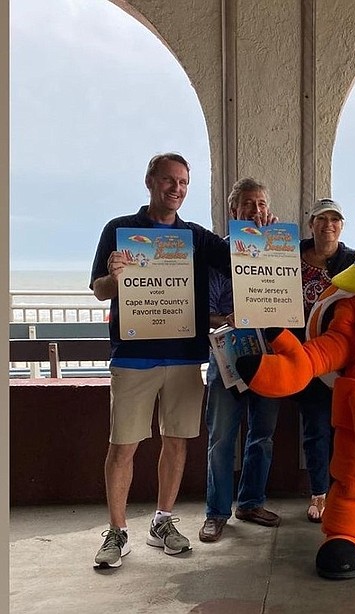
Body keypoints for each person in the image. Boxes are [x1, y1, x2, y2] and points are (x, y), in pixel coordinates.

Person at [91, 153, 231, 569]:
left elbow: (243, 263)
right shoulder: (119, 230)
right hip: (133, 356)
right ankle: (117, 532)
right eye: (169, 180)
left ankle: (162, 522)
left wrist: (257, 232)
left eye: (184, 182)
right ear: (150, 181)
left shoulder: (196, 237)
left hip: (185, 357)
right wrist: (115, 279)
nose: (177, 188)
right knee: (123, 447)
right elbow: (99, 290)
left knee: (176, 442)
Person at [198, 178, 282, 543]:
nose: (256, 211)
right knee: (221, 438)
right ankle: (216, 513)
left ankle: (250, 502)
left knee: (262, 435)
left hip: (269, 358)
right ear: (233, 211)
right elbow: (205, 314)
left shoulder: (282, 251)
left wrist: (277, 246)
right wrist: (226, 319)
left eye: (261, 204)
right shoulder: (219, 256)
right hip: (227, 354)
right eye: (248, 204)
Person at [295, 198, 355, 522]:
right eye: (322, 219)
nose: (328, 225)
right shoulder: (290, 256)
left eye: (335, 220)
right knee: (315, 428)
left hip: (343, 362)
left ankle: (342, 490)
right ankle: (319, 493)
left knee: (345, 429)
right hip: (305, 358)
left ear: (341, 226)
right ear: (312, 225)